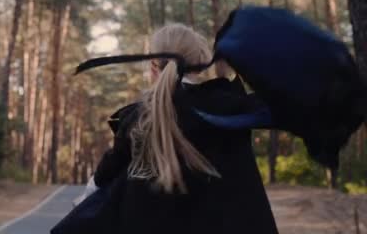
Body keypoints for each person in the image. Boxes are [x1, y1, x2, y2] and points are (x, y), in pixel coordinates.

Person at [52, 23, 279, 234]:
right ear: (200, 61)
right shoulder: (228, 107)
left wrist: (81, 204)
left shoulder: (136, 119)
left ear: (153, 66)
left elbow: (103, 178)